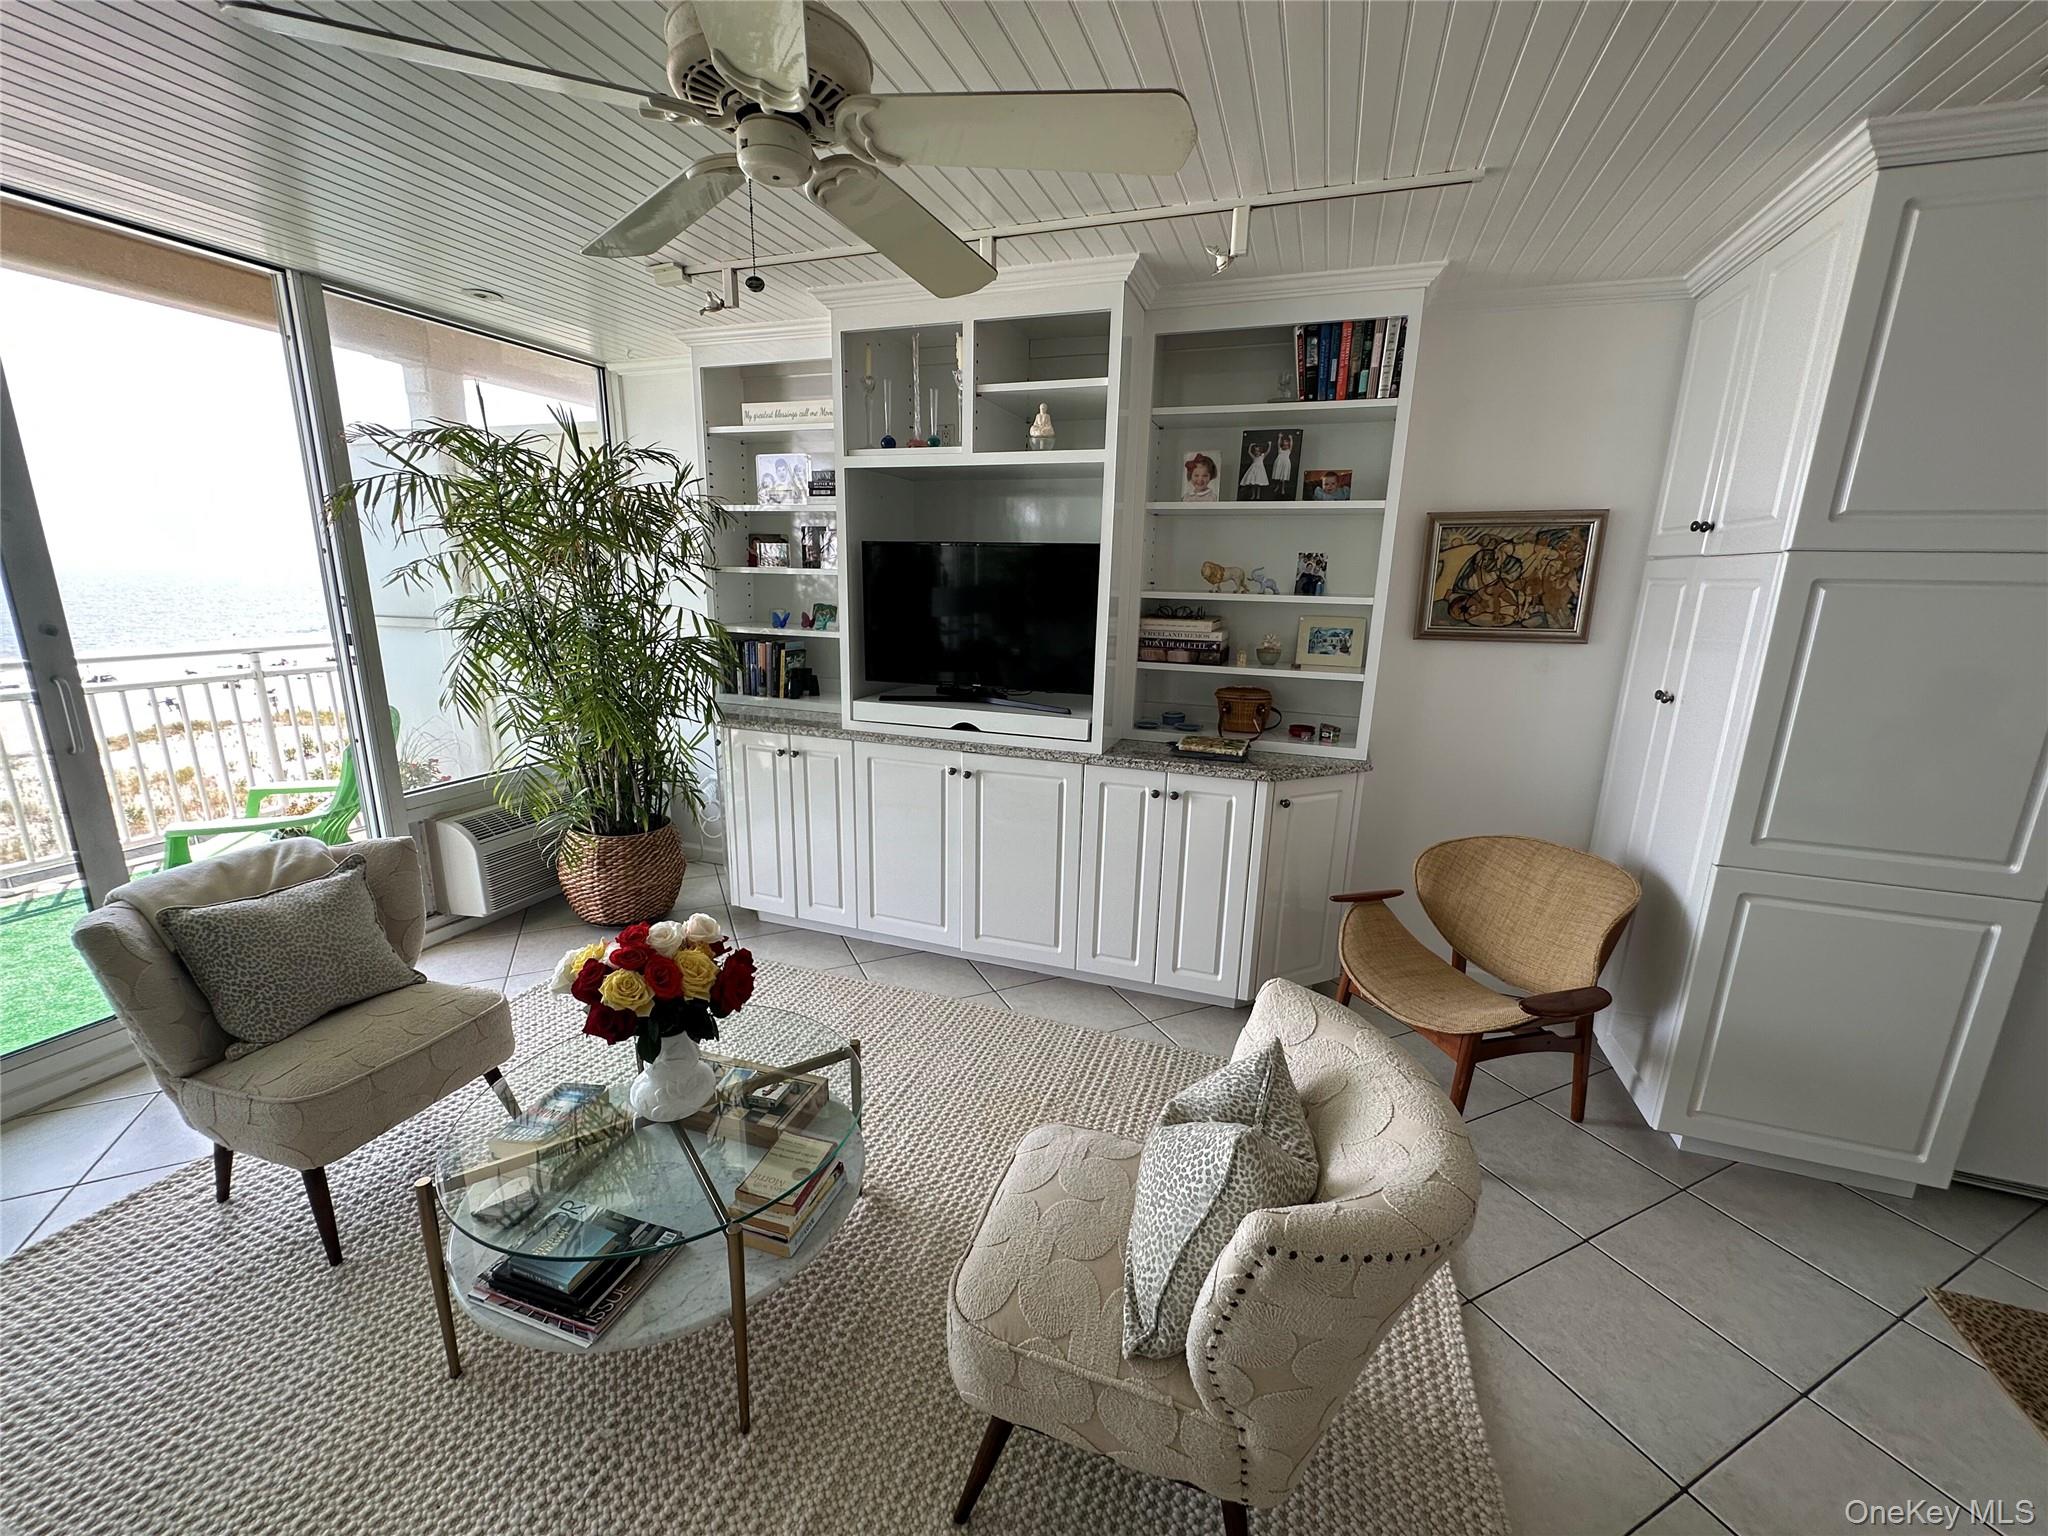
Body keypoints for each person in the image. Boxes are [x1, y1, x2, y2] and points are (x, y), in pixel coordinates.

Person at [1271, 432, 1296, 499]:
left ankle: (1282, 488)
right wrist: (1279, 437)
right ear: (1283, 445)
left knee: (1283, 477)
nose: (1285, 446)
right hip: (1279, 463)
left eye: (1287, 444)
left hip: (1285, 463)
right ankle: (1277, 486)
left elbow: (1291, 445)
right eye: (1284, 444)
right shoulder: (1280, 449)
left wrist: (1291, 438)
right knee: (1278, 475)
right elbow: (1278, 443)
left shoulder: (1288, 450)